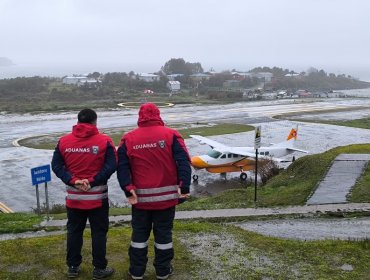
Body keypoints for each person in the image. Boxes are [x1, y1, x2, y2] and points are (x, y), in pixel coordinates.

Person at [117, 103, 191, 280]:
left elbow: (122, 168)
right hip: (166, 200)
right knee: (164, 235)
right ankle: (163, 271)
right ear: (158, 114)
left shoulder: (128, 139)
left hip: (140, 201)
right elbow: (184, 162)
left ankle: (136, 271)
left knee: (139, 237)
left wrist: (128, 190)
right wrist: (184, 187)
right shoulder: (172, 135)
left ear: (140, 116)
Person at [51, 108, 116, 279]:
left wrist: (73, 181)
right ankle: (99, 269)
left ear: (78, 121)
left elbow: (56, 166)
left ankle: (73, 267)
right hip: (97, 198)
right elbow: (111, 166)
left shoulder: (63, 141)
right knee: (99, 233)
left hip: (74, 198)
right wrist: (93, 181)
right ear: (95, 121)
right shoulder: (105, 141)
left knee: (74, 231)